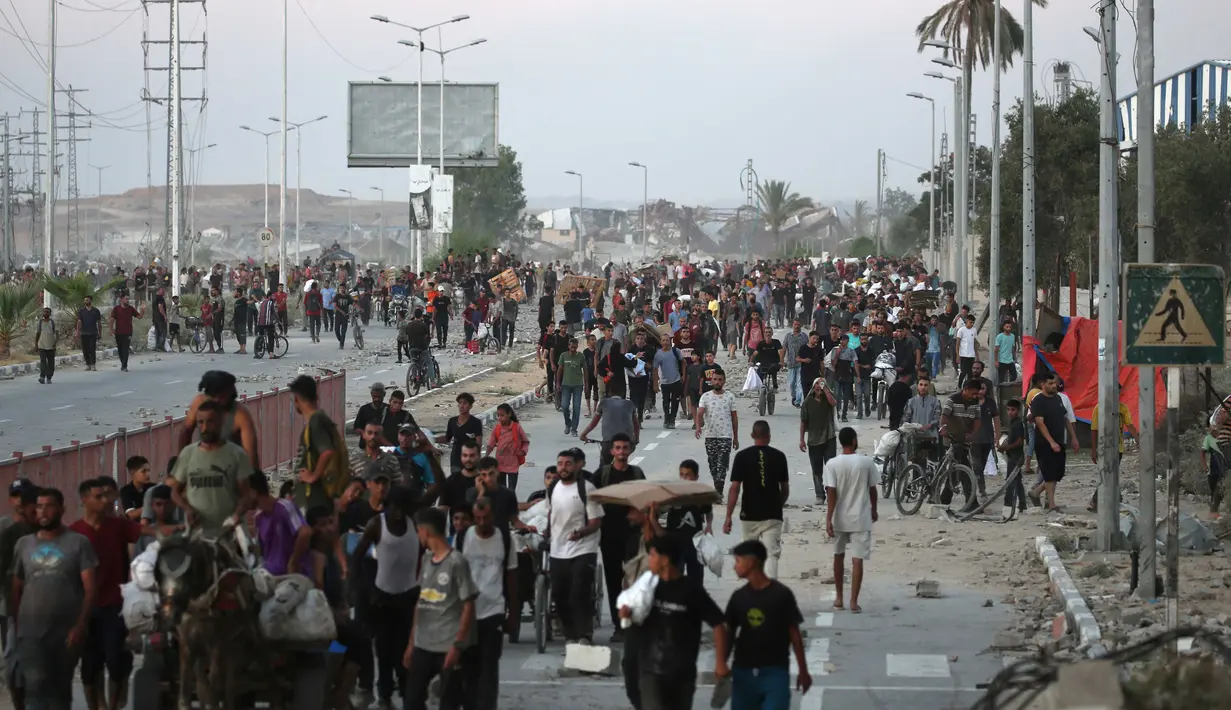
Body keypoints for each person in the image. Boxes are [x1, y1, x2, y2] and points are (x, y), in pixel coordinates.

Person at [10, 488, 98, 710]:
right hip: (30, 632)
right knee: (34, 686)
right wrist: (16, 627)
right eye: (39, 506)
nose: (43, 511)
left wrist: (80, 626)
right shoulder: (23, 545)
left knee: (59, 691)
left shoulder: (78, 543)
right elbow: (16, 588)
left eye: (48, 505)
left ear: (61, 509)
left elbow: (90, 589)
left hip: (65, 633)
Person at [620, 535, 726, 710]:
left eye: (652, 556)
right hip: (651, 670)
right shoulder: (646, 588)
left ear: (665, 560)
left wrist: (720, 663)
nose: (650, 560)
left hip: (682, 672)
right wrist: (627, 614)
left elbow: (718, 624)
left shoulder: (691, 590)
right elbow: (632, 616)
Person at [70, 479, 147, 710]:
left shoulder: (119, 526)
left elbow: (145, 532)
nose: (106, 501)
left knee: (116, 660)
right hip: (85, 608)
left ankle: (115, 703)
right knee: (90, 666)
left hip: (115, 604)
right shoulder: (74, 532)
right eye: (100, 496)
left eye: (109, 495)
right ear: (85, 499)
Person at [716, 540, 812, 710]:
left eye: (738, 561)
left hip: (775, 672)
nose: (734, 567)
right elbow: (729, 633)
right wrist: (721, 663)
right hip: (743, 672)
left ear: (752, 562)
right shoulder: (738, 598)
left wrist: (803, 672)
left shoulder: (782, 595)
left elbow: (794, 635)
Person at [403, 507, 479, 710]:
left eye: (418, 530)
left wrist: (458, 644)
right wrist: (411, 642)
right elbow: (420, 602)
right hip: (423, 643)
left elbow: (468, 604)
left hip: (447, 645)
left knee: (449, 702)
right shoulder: (426, 560)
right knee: (412, 700)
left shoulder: (457, 562)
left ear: (425, 531)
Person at [353, 486, 423, 709]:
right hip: (382, 597)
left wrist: (430, 455)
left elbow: (437, 489)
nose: (398, 513)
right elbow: (357, 557)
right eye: (394, 507)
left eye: (402, 508)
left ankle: (407, 693)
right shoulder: (377, 524)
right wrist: (365, 588)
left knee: (406, 649)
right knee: (384, 650)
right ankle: (384, 695)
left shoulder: (415, 524)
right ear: (387, 506)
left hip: (409, 596)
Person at [454, 498, 517, 709]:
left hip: (494, 611)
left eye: (486, 518)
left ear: (494, 517)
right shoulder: (463, 538)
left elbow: (511, 577)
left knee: (489, 669)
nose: (482, 523)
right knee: (469, 667)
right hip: (467, 613)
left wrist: (513, 614)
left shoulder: (505, 539)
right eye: (478, 518)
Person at [167, 400, 254, 535]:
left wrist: (236, 515)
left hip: (229, 533)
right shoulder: (188, 454)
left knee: (249, 554)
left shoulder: (237, 454)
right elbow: (174, 492)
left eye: (210, 422)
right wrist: (187, 509)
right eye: (200, 422)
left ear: (221, 422)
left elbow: (246, 495)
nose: (204, 428)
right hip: (197, 534)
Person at [546, 449, 603, 644]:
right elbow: (550, 513)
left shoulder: (586, 489)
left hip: (583, 549)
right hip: (558, 550)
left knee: (579, 593)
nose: (563, 467)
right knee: (559, 595)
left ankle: (585, 634)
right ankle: (570, 634)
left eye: (568, 464)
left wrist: (580, 533)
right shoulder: (553, 487)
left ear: (576, 466)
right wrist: (547, 533)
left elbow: (596, 521)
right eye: (560, 463)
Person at [723, 420, 790, 578]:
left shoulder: (742, 456)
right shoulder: (779, 457)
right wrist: (777, 505)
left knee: (749, 555)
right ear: (769, 436)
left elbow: (735, 488)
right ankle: (770, 594)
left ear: (753, 435)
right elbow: (785, 490)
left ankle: (753, 592)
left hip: (749, 515)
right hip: (773, 515)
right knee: (771, 555)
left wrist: (728, 517)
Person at [823, 427, 878, 613]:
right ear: (854, 440)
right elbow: (873, 490)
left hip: (839, 516)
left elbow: (831, 492)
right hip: (861, 516)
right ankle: (854, 602)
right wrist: (874, 510)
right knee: (857, 559)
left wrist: (828, 518)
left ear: (840, 442)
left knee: (838, 555)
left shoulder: (832, 464)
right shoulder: (866, 462)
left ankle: (839, 598)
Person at [180, 370, 262, 472]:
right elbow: (186, 431)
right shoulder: (199, 403)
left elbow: (250, 455)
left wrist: (254, 481)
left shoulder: (240, 415)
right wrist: (182, 461)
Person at [289, 375, 348, 513]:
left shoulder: (316, 421)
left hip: (315, 497)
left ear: (297, 398)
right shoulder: (319, 419)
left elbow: (327, 451)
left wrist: (313, 476)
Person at [1027, 372, 1078, 511]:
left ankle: (1035, 492)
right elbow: (1040, 423)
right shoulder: (1038, 400)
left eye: (1054, 383)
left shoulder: (1058, 399)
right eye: (1050, 383)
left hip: (1060, 440)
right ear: (1042, 384)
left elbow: (1065, 418)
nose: (1054, 386)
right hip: (1044, 443)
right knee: (1049, 473)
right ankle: (1051, 503)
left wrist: (1073, 436)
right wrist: (1051, 442)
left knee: (1058, 473)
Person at [250, 472, 312, 577]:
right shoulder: (259, 517)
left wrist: (293, 562)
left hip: (292, 576)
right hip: (270, 575)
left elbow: (305, 533)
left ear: (253, 492)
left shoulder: (284, 507)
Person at [695, 370, 739, 494]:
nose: (717, 382)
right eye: (715, 379)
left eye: (720, 379)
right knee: (713, 464)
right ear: (711, 381)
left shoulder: (730, 396)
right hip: (710, 436)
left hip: (726, 436)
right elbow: (700, 413)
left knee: (722, 464)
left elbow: (734, 418)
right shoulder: (706, 396)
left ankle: (719, 490)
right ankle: (717, 485)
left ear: (724, 381)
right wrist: (698, 427)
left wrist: (735, 437)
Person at [580, 384, 640, 467]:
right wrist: (636, 439)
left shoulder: (604, 403)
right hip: (627, 443)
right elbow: (636, 425)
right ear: (623, 393)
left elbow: (593, 423)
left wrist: (583, 435)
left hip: (608, 443)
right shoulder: (630, 404)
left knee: (603, 466)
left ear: (609, 392)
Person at [800, 377, 838, 504]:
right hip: (813, 440)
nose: (819, 386)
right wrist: (801, 440)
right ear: (813, 387)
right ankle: (820, 495)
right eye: (817, 384)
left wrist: (826, 390)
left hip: (829, 438)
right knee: (817, 470)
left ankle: (830, 492)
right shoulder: (807, 403)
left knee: (830, 468)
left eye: (821, 384)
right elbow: (803, 422)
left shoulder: (827, 399)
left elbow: (834, 403)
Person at [486, 403, 530, 492]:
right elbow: (491, 444)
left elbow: (525, 441)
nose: (499, 418)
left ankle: (510, 504)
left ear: (509, 414)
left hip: (513, 464)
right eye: (498, 415)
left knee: (511, 490)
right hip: (500, 463)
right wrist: (486, 457)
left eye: (502, 415)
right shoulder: (497, 428)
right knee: (501, 490)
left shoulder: (516, 427)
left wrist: (522, 451)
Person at [436, 393, 483, 474]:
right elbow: (447, 438)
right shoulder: (452, 421)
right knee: (456, 483)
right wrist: (431, 439)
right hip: (456, 458)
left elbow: (478, 442)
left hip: (470, 458)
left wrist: (477, 459)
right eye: (460, 403)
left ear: (470, 406)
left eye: (465, 403)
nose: (462, 406)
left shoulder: (476, 422)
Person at [999, 399, 1028, 519]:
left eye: (1013, 410)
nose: (1010, 412)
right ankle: (1022, 504)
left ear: (1018, 411)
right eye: (1008, 410)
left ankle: (1009, 504)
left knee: (1010, 481)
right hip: (1012, 455)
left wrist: (1006, 447)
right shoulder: (1012, 423)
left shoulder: (1018, 424)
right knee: (1018, 481)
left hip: (1015, 456)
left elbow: (1019, 441)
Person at [652, 336, 686, 429]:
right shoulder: (658, 354)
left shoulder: (676, 351)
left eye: (667, 340)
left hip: (676, 380)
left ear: (670, 341)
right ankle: (666, 418)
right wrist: (655, 383)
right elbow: (655, 369)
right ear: (661, 342)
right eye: (663, 340)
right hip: (665, 382)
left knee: (675, 401)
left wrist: (683, 375)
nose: (666, 342)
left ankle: (672, 420)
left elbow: (683, 362)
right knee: (666, 401)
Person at [555, 337, 587, 436]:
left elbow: (585, 371)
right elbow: (560, 370)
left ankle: (574, 429)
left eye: (575, 347)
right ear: (568, 346)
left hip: (578, 385)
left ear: (577, 346)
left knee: (576, 408)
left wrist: (586, 385)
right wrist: (557, 383)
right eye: (571, 347)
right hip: (566, 385)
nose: (573, 349)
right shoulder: (563, 356)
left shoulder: (581, 356)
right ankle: (568, 424)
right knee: (564, 406)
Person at [108, 294, 144, 372]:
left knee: (125, 348)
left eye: (128, 299)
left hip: (128, 332)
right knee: (120, 348)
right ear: (121, 300)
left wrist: (142, 309)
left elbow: (139, 317)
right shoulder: (116, 309)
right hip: (118, 332)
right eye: (126, 299)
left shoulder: (131, 309)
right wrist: (111, 329)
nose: (128, 300)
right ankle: (123, 363)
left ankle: (124, 366)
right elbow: (111, 320)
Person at [1202, 425, 1226, 516]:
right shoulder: (1209, 438)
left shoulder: (1225, 437)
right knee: (1214, 491)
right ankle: (1213, 513)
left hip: (1224, 469)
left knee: (1219, 489)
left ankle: (1214, 511)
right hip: (1212, 470)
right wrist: (1204, 465)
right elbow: (1202, 452)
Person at [76, 295, 103, 371]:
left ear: (91, 301)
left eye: (87, 300)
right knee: (85, 350)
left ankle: (93, 364)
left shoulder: (96, 311)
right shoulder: (81, 311)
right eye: (85, 300)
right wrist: (77, 332)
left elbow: (99, 323)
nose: (85, 301)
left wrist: (100, 333)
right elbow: (79, 322)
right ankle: (88, 364)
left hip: (93, 332)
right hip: (84, 333)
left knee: (92, 349)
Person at [954, 315, 979, 389]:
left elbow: (974, 343)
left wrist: (977, 355)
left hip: (971, 355)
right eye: (970, 322)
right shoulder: (961, 330)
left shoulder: (974, 330)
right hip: (963, 354)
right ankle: (959, 386)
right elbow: (957, 344)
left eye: (973, 323)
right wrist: (957, 355)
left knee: (970, 373)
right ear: (967, 321)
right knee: (963, 372)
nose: (971, 324)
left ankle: (968, 386)